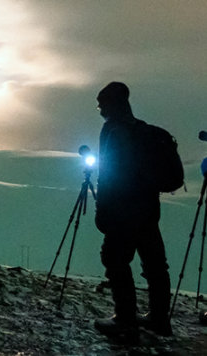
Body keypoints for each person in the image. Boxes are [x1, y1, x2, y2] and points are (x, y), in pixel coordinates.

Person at [93, 81, 172, 341]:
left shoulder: (113, 131)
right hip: (149, 210)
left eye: (102, 104)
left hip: (122, 211)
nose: (100, 109)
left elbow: (109, 175)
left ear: (111, 104)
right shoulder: (145, 131)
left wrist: (102, 211)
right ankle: (160, 320)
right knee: (155, 265)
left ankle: (125, 320)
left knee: (115, 261)